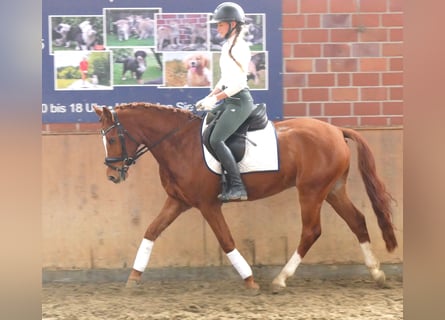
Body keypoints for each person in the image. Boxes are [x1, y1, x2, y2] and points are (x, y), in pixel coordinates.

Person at [196, 2, 255, 202]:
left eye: (220, 24)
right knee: (206, 136)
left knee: (216, 139)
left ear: (232, 24)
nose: (217, 28)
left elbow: (238, 83)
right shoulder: (227, 45)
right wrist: (210, 95)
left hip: (239, 102)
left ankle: (238, 187)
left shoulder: (240, 47)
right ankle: (225, 179)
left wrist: (215, 99)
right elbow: (225, 78)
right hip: (229, 100)